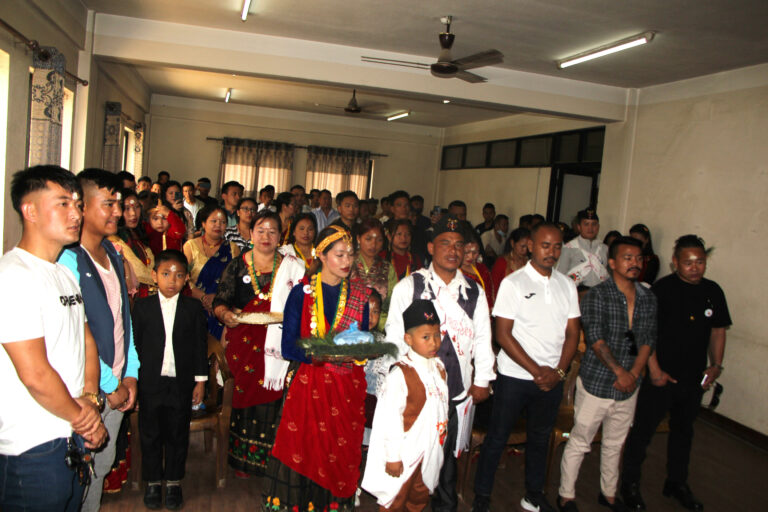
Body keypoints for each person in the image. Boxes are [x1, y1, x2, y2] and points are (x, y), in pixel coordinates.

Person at [0, 165, 106, 512]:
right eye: (63, 204)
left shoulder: (63, 272)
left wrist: (89, 396)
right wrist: (85, 418)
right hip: (32, 447)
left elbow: (86, 340)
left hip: (70, 435)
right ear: (29, 211)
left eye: (78, 204)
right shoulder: (14, 276)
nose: (76, 214)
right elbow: (35, 374)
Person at [386, 215, 495, 512]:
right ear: (431, 247)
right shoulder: (410, 286)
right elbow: (395, 337)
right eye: (445, 243)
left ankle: (445, 507)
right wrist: (401, 384)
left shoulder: (473, 291)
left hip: (456, 390)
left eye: (459, 245)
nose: (453, 250)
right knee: (412, 457)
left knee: (446, 461)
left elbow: (483, 337)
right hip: (418, 391)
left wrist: (482, 380)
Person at [472, 222, 580, 512]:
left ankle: (533, 494)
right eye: (545, 245)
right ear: (531, 246)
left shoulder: (567, 284)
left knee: (540, 438)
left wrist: (558, 372)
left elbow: (573, 333)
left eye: (557, 246)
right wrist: (537, 371)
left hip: (552, 378)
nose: (551, 252)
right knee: (497, 437)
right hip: (515, 377)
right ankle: (481, 496)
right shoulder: (514, 283)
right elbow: (502, 334)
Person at [620, 235, 731, 512]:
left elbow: (718, 330)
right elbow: (646, 333)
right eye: (688, 262)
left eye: (700, 262)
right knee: (643, 432)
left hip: (693, 377)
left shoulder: (713, 291)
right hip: (661, 376)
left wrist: (716, 365)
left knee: (684, 432)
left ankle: (677, 482)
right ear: (675, 262)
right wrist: (655, 370)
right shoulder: (661, 291)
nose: (695, 267)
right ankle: (629, 484)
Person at [268, 225, 372, 510]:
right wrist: (319, 357)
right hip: (309, 383)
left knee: (338, 450)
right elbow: (288, 347)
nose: (347, 261)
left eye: (350, 254)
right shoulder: (302, 293)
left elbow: (361, 342)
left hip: (344, 386)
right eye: (339, 255)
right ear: (322, 256)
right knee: (304, 448)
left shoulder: (359, 295)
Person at [58, 168, 140, 512]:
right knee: (76, 477)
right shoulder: (68, 261)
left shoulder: (113, 252)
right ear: (82, 207)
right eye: (108, 204)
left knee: (99, 472)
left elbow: (124, 320)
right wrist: (111, 385)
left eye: (119, 203)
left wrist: (131, 373)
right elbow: (78, 335)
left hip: (118, 385)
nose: (118, 212)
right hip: (89, 390)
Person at [557, 237, 657, 512]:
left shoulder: (648, 297)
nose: (635, 263)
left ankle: (609, 494)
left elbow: (648, 339)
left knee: (615, 443)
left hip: (630, 384)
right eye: (627, 258)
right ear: (612, 263)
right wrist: (620, 372)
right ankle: (566, 495)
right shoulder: (597, 295)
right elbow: (596, 339)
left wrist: (633, 374)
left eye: (638, 258)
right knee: (580, 441)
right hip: (598, 382)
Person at [213, 210, 306, 479]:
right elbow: (221, 300)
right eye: (261, 230)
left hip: (280, 343)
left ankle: (273, 460)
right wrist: (224, 315)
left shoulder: (293, 267)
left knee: (276, 397)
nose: (266, 236)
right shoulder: (237, 265)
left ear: (280, 235)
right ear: (251, 234)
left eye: (272, 231)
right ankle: (242, 460)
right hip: (243, 342)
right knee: (244, 395)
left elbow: (305, 303)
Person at [133, 250, 208, 510]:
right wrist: (134, 383)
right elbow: (135, 347)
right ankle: (153, 481)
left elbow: (199, 346)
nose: (172, 281)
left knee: (177, 433)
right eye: (166, 274)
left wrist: (200, 381)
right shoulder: (142, 308)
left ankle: (174, 481)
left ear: (186, 279)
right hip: (150, 382)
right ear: (154, 276)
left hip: (181, 382)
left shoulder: (193, 308)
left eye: (178, 275)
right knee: (150, 433)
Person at [362, 300, 449, 512]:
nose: (433, 342)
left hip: (429, 451)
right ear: (408, 339)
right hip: (405, 454)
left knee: (419, 497)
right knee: (396, 498)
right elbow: (389, 419)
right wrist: (393, 457)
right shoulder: (401, 374)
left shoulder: (439, 368)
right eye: (425, 337)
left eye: (437, 335)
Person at [183, 205, 240, 339]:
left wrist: (217, 297)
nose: (218, 225)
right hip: (193, 305)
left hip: (221, 307)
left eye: (223, 222)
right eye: (213, 221)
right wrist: (203, 297)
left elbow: (235, 282)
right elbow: (183, 278)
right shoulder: (190, 246)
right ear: (203, 223)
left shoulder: (232, 248)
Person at [350, 218, 397, 330]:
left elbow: (392, 304)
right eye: (368, 239)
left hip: (379, 327)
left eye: (379, 240)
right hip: (349, 325)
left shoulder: (387, 268)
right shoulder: (348, 262)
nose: (373, 244)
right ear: (358, 238)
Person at [111, 188, 155, 298]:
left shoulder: (138, 233)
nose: (133, 213)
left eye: (136, 207)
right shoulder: (114, 240)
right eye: (127, 209)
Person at [557, 208, 609, 295]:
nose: (590, 228)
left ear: (598, 227)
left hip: (600, 294)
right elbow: (560, 275)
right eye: (586, 224)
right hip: (576, 293)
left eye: (594, 224)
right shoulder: (569, 248)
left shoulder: (604, 248)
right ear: (579, 227)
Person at [490, 227, 530, 297]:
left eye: (527, 247)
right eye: (522, 246)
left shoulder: (529, 263)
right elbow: (493, 289)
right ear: (512, 243)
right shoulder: (502, 263)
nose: (525, 250)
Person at [461, 233, 494, 309]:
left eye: (475, 253)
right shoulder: (453, 272)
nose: (471, 256)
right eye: (466, 252)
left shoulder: (482, 268)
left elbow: (490, 294)